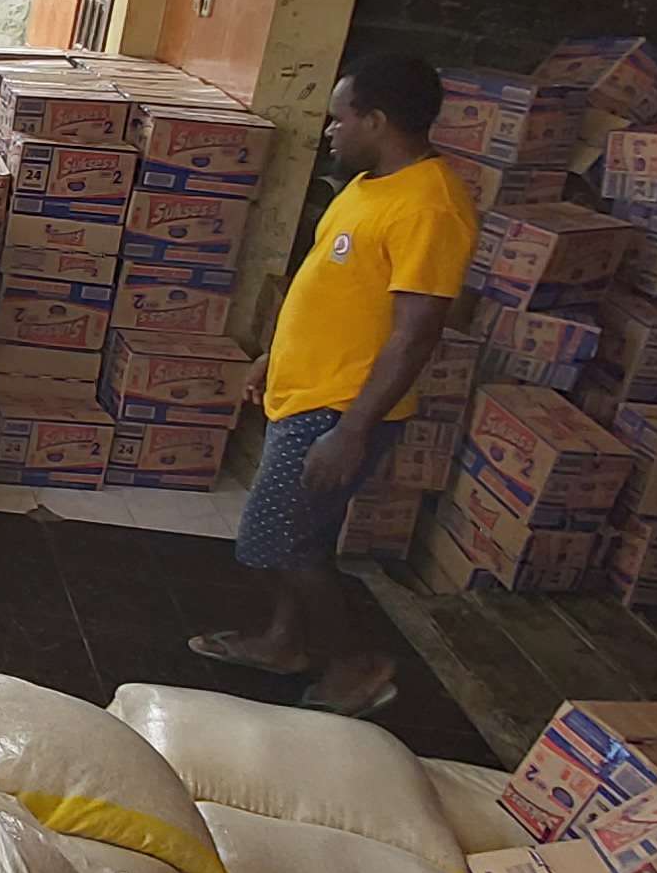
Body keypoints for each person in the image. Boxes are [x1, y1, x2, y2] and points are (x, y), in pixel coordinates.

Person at [196, 53, 475, 719]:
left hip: (340, 408)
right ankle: (285, 644)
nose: (329, 132)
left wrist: (352, 430)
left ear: (376, 121)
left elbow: (416, 333)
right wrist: (272, 355)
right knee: (301, 537)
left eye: (339, 118)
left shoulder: (430, 207)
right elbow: (327, 283)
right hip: (305, 392)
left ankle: (357, 663)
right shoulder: (369, 185)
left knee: (276, 542)